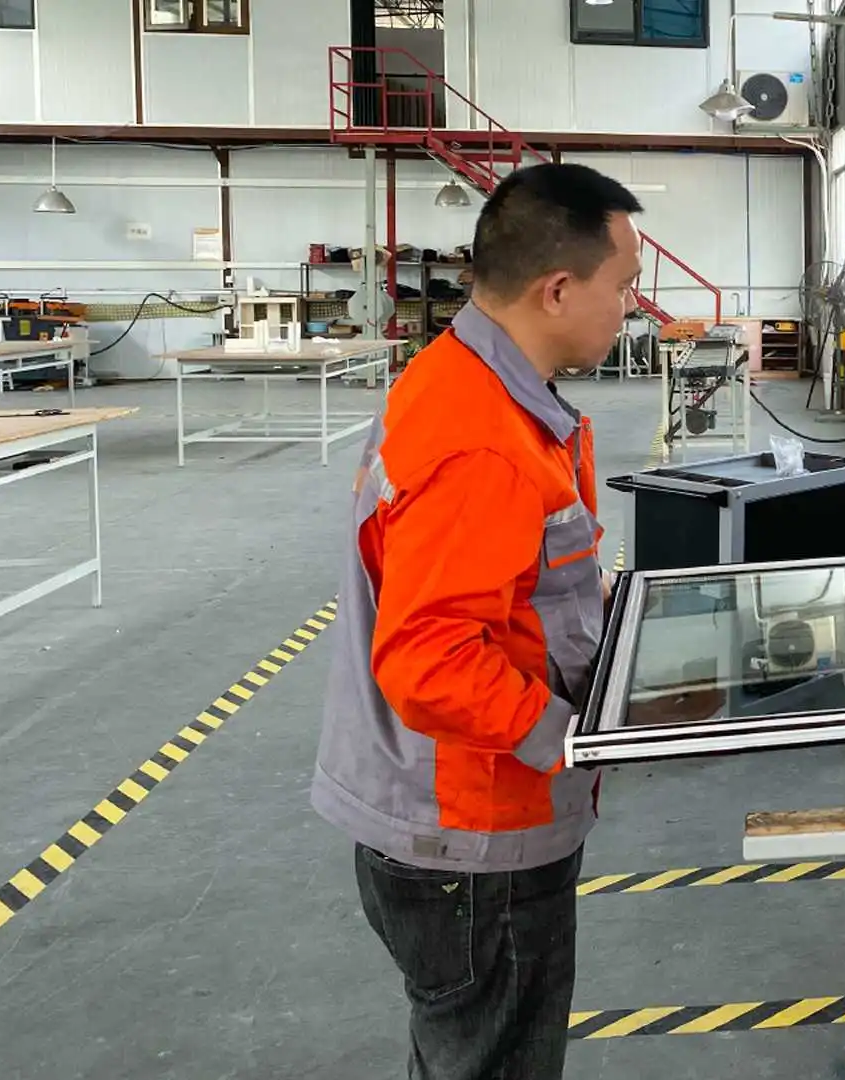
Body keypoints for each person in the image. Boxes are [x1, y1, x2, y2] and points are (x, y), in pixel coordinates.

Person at [312, 163, 643, 1080]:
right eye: (624, 287)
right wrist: (579, 739)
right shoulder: (482, 442)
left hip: (441, 831)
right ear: (559, 289)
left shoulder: (465, 384)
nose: (632, 309)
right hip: (471, 843)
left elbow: (525, 590)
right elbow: (427, 660)